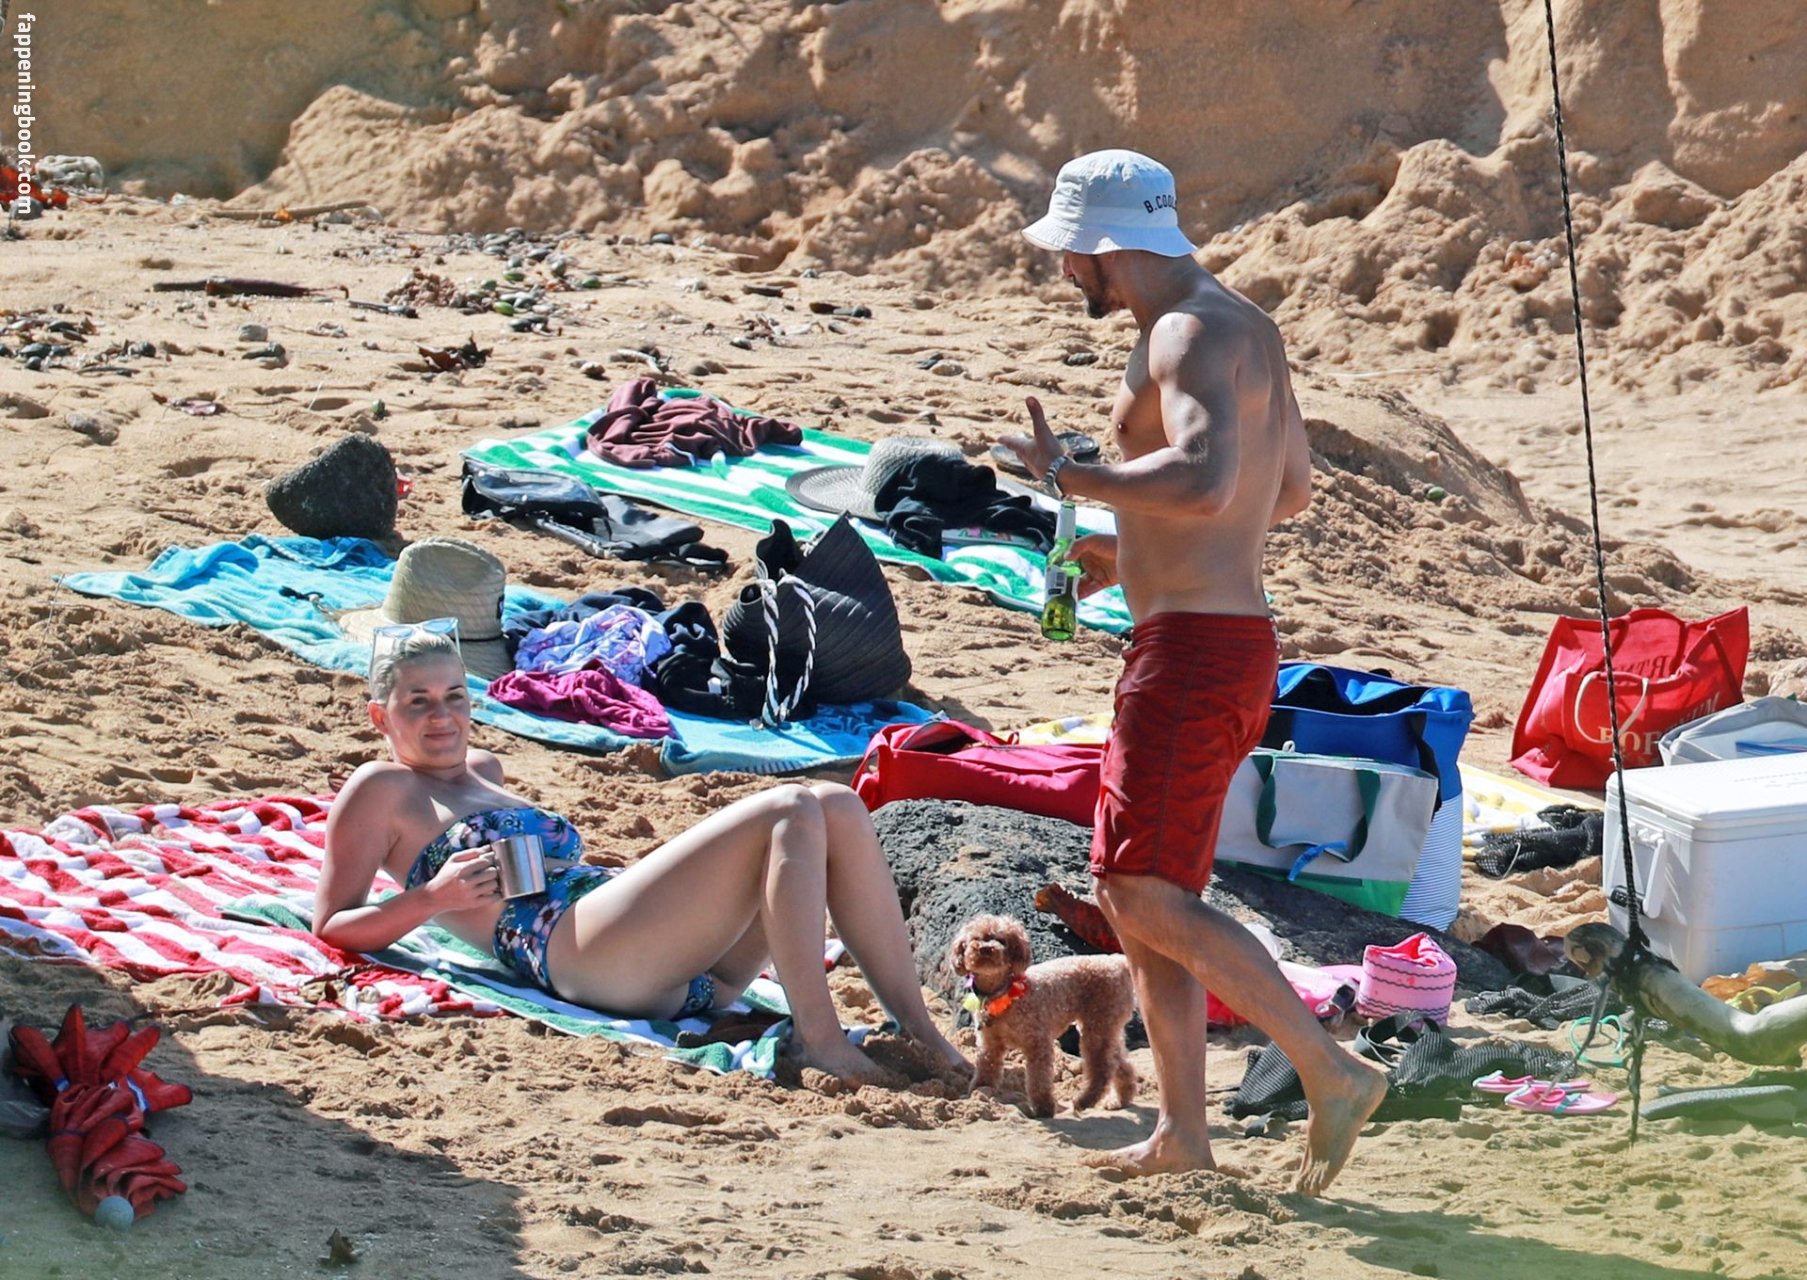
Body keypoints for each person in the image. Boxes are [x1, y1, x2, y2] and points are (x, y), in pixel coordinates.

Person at [999, 149, 1387, 1195]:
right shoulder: (1241, 324)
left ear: (1105, 244)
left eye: (1069, 252)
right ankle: (1181, 1130)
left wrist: (1071, 474)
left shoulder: (1179, 332)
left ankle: (1330, 1069)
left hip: (1192, 653)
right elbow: (1286, 490)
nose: (1063, 270)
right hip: (1223, 638)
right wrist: (1129, 553)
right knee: (1144, 896)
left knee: (1135, 888)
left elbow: (1209, 477)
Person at [314, 624, 967, 1085]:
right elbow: (333, 925)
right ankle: (818, 1038)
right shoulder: (382, 788)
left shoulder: (484, 768)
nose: (442, 716)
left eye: (454, 696)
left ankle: (919, 1030)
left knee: (836, 803)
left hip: (673, 964)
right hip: (579, 954)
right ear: (380, 717)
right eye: (418, 702)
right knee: (791, 806)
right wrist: (432, 899)